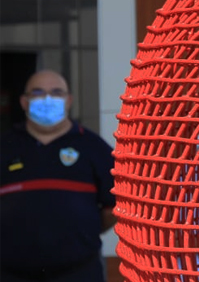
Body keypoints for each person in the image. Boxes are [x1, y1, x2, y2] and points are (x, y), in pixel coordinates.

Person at [1, 70, 117, 282]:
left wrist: (82, 230)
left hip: (80, 272)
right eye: (38, 93)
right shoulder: (5, 147)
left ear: (69, 100)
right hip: (10, 273)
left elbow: (116, 206)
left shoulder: (93, 147)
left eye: (56, 92)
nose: (47, 99)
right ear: (24, 102)